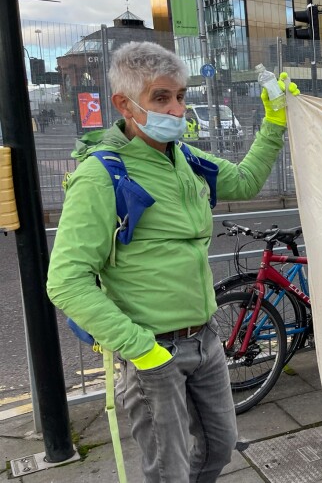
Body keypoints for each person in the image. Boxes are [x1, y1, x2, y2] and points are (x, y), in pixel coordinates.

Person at [46, 42, 298, 482]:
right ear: (125, 104)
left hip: (205, 340)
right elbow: (66, 281)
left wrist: (274, 123)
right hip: (152, 351)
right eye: (161, 98)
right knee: (169, 471)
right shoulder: (100, 176)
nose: (178, 109)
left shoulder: (186, 159)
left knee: (219, 447)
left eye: (180, 95)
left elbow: (245, 180)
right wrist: (142, 351)